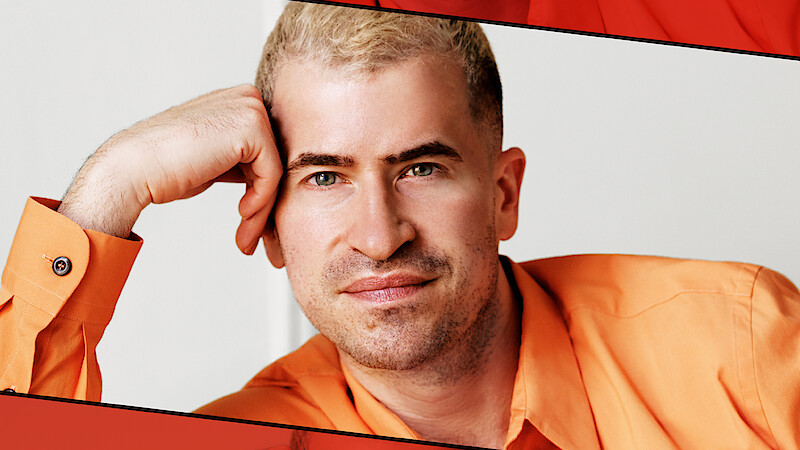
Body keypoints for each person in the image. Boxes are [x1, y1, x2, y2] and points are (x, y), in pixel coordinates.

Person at [1, 3, 798, 449]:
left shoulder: (736, 344)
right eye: (324, 176)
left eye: (420, 167)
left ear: (503, 194)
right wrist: (107, 192)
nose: (380, 236)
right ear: (270, 229)